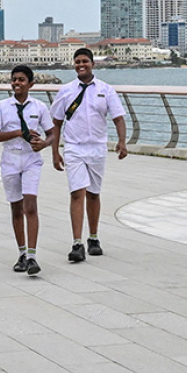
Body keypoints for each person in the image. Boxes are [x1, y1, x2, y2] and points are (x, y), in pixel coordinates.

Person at [51, 48, 128, 263]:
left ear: (93, 63)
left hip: (97, 148)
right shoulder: (66, 91)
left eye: (85, 61)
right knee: (77, 193)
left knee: (93, 193)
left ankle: (93, 238)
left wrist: (122, 142)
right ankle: (77, 243)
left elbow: (118, 118)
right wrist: (55, 151)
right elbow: (56, 123)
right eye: (77, 62)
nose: (81, 65)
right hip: (74, 148)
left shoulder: (106, 90)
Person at [0, 65, 55, 276]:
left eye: (21, 80)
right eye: (14, 79)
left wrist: (44, 144)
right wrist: (18, 133)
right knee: (16, 207)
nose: (17, 83)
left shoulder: (39, 107)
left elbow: (52, 133)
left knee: (30, 205)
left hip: (31, 159)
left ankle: (33, 256)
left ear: (31, 84)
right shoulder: (2, 106)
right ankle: (22, 252)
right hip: (10, 159)